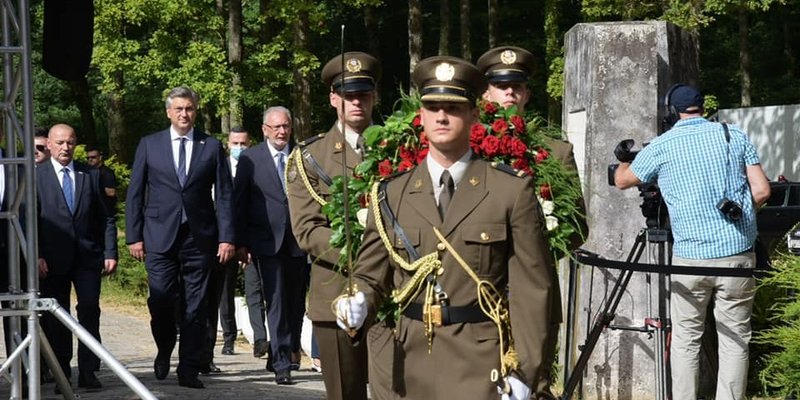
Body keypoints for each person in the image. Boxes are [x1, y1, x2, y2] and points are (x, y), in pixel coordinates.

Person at [335, 56, 555, 400]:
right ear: (420, 115)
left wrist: (526, 370)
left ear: (473, 114)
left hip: (483, 362)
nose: (441, 116)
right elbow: (371, 274)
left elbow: (532, 291)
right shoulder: (392, 193)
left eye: (453, 107)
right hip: (411, 362)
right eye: (433, 106)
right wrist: (358, 298)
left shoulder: (509, 191)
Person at [614, 84, 770, 400]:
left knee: (686, 338)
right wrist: (740, 217)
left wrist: (624, 158)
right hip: (737, 256)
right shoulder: (733, 135)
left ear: (671, 112)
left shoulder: (662, 145)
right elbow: (763, 190)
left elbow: (622, 180)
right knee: (735, 338)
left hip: (691, 258)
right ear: (702, 107)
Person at [477, 45, 588, 399]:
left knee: (533, 384)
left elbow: (577, 224)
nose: (509, 91)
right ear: (486, 92)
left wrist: (533, 249)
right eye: (500, 84)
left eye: (517, 85)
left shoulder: (555, 152)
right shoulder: (467, 146)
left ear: (526, 93)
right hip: (474, 287)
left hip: (534, 289)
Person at [285, 51, 381, 400]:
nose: (357, 101)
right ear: (333, 98)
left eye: (363, 94)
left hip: (397, 295)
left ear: (374, 97)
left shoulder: (397, 149)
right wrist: (370, 254)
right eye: (348, 94)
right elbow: (307, 230)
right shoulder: (311, 157)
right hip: (338, 292)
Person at [125, 86, 235, 389]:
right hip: (159, 237)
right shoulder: (150, 145)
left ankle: (189, 368)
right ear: (169, 112)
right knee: (161, 300)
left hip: (199, 239)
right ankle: (164, 347)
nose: (185, 114)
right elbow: (135, 193)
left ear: (195, 112)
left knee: (195, 305)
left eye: (190, 109)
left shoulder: (210, 147)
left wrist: (227, 238)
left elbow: (224, 196)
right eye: (179, 109)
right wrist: (134, 236)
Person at [37, 124, 118, 390]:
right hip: (51, 260)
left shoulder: (90, 175)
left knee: (89, 311)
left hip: (87, 258)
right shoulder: (36, 176)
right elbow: (29, 221)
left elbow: (106, 217)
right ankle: (62, 373)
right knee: (56, 318)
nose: (65, 147)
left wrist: (110, 252)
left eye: (70, 142)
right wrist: (36, 255)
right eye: (59, 142)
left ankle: (88, 370)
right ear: (49, 144)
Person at [234, 106, 309, 385]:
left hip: (299, 240)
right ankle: (281, 362)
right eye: (276, 127)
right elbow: (239, 202)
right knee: (275, 300)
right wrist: (240, 241)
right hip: (266, 241)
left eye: (285, 126)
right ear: (265, 129)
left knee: (295, 302)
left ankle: (282, 349)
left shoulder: (302, 156)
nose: (281, 132)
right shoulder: (250, 159)